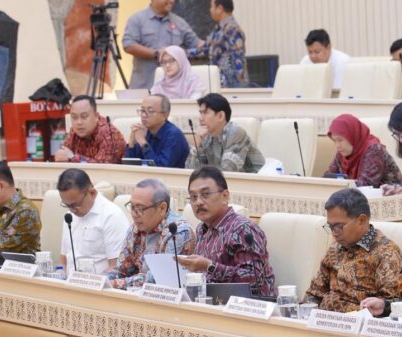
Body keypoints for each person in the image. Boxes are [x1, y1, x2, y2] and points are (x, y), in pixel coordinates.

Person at [177, 166, 276, 297]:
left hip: (248, 305)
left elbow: (253, 280)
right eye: (193, 197)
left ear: (225, 196)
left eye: (205, 194)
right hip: (211, 302)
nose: (198, 202)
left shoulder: (243, 229)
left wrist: (210, 266)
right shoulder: (201, 229)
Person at [306, 188, 402, 313]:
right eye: (330, 226)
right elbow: (314, 293)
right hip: (324, 319)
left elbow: (394, 303)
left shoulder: (386, 252)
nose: (334, 233)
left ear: (361, 220)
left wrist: (381, 306)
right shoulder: (335, 247)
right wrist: (305, 313)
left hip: (358, 320)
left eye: (339, 226)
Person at [106, 179, 194, 289]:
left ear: (162, 208)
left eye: (140, 208)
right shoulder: (136, 227)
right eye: (132, 207)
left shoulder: (177, 232)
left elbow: (158, 280)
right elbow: (121, 270)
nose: (134, 214)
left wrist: (114, 284)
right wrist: (99, 280)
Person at [57, 169, 130, 273]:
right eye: (67, 205)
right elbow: (64, 261)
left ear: (92, 193)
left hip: (99, 281)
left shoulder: (112, 216)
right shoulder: (69, 217)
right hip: (70, 281)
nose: (72, 210)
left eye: (75, 205)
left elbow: (116, 268)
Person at [123, 0, 201, 89]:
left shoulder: (179, 22)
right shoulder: (137, 19)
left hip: (173, 90)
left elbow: (197, 44)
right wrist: (156, 53)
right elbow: (128, 45)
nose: (172, 1)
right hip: (144, 87)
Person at [186, 93, 265, 172]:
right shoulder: (205, 136)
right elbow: (190, 171)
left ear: (221, 116)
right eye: (200, 113)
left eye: (206, 113)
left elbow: (228, 171)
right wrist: (196, 145)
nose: (200, 118)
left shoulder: (236, 134)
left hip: (258, 178)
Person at [323, 114, 402, 187]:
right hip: (356, 197)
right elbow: (328, 178)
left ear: (352, 136)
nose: (337, 145)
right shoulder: (343, 153)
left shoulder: (374, 150)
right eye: (334, 140)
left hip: (390, 197)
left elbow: (366, 185)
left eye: (340, 140)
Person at [187, 0, 249, 88]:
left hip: (232, 87)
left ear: (219, 9)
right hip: (220, 84)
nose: (210, 10)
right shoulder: (219, 29)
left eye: (212, 7)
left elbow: (237, 64)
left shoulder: (233, 31)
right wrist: (181, 53)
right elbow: (205, 49)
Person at [54, 95, 126, 164]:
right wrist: (61, 156)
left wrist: (72, 157)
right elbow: (64, 153)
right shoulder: (74, 131)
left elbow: (102, 166)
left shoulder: (108, 133)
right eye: (74, 117)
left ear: (96, 116)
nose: (79, 122)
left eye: (84, 116)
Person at [124, 93, 190, 168]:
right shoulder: (144, 131)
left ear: (165, 115)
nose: (143, 115)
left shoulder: (174, 135)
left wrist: (143, 143)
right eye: (142, 110)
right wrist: (131, 143)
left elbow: (161, 168)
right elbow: (129, 166)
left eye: (150, 111)